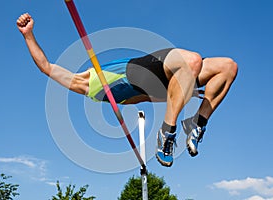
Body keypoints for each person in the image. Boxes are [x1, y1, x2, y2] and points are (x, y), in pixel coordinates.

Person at [17, 13, 238, 167]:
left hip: (140, 69)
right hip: (153, 83)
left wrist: (185, 87)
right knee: (193, 61)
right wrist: (28, 35)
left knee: (228, 67)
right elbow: (46, 67)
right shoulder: (87, 87)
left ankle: (196, 123)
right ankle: (167, 133)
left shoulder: (93, 77)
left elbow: (158, 95)